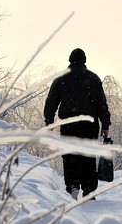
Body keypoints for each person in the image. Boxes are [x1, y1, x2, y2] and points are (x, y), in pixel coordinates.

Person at [44, 48, 111, 199]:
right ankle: (88, 190)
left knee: (70, 156)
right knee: (88, 156)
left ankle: (73, 184)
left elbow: (51, 102)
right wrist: (105, 125)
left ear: (70, 60)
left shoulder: (61, 78)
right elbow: (102, 104)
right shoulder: (93, 78)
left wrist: (49, 122)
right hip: (89, 124)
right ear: (84, 61)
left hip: (69, 123)